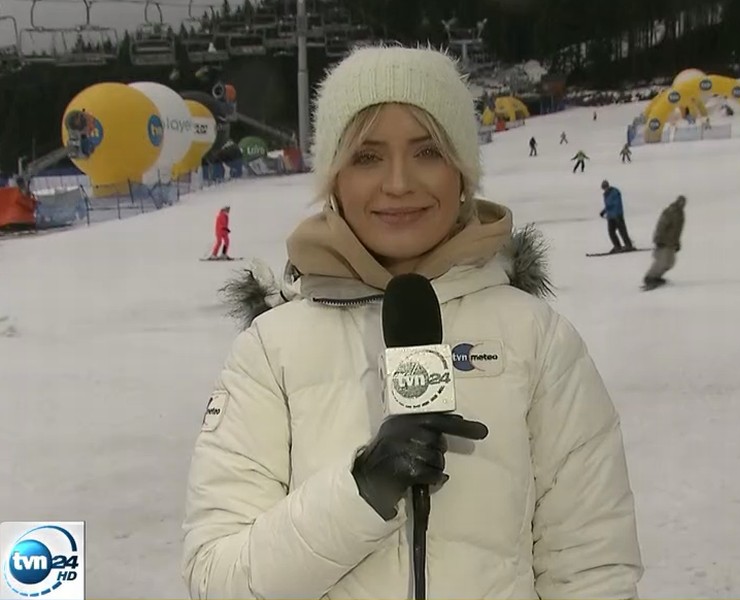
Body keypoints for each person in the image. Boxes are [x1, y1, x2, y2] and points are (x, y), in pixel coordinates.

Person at [182, 45, 643, 599]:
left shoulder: (538, 340)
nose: (399, 183)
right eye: (367, 156)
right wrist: (359, 493)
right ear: (333, 180)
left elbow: (592, 572)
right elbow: (216, 579)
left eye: (428, 152)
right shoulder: (270, 352)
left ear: (462, 172)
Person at [644, 195, 686, 288]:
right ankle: (650, 277)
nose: (682, 204)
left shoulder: (680, 213)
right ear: (677, 201)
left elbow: (678, 231)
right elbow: (661, 225)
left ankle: (657, 277)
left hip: (672, 242)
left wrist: (677, 243)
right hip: (664, 240)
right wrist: (658, 238)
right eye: (681, 202)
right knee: (662, 261)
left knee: (670, 262)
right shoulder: (670, 211)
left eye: (683, 202)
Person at [600, 180, 635, 252]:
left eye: (605, 187)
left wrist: (614, 213)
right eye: (603, 188)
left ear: (608, 186)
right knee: (611, 232)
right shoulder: (605, 194)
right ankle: (617, 246)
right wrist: (604, 211)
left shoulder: (615, 192)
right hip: (610, 216)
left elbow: (616, 204)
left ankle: (628, 245)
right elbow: (608, 205)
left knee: (622, 231)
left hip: (617, 214)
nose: (605, 189)